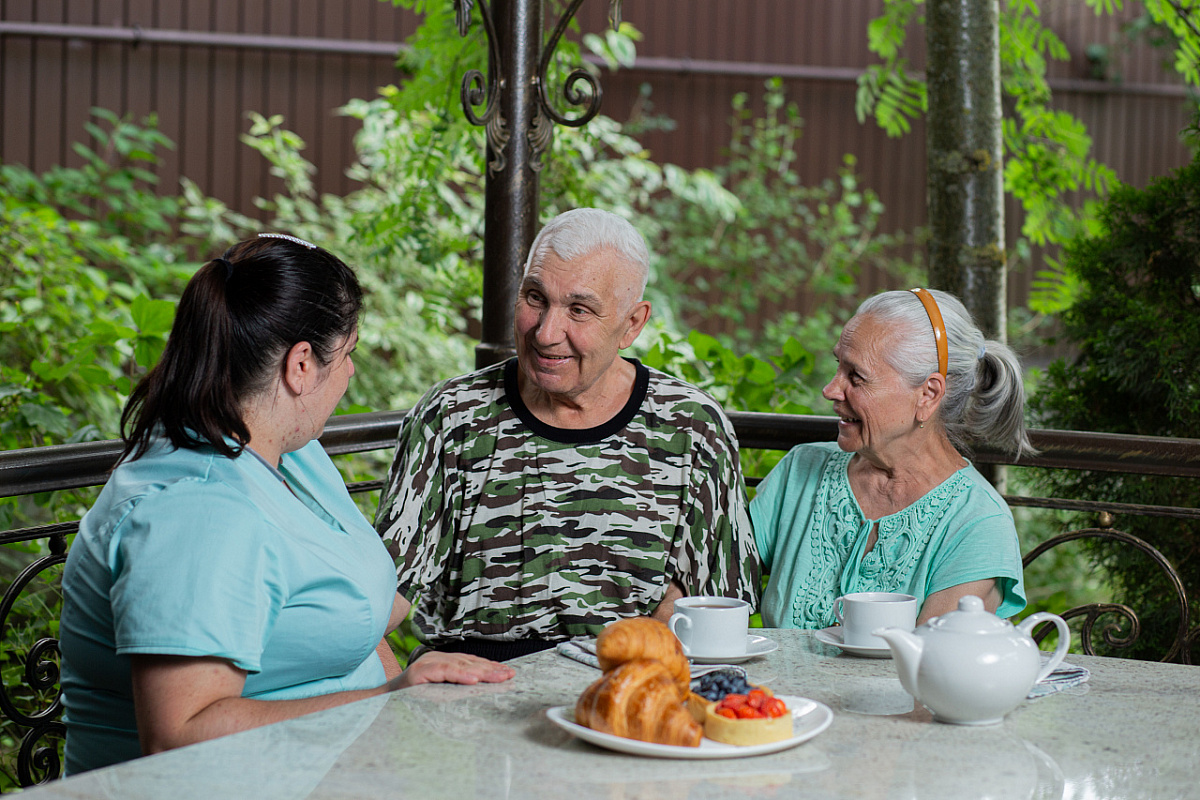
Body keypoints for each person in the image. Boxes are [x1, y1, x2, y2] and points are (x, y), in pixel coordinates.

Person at [59, 234, 513, 776]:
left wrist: (398, 736)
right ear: (300, 365)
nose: (350, 372)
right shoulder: (197, 510)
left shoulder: (292, 454)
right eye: (348, 353)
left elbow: (354, 627)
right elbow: (180, 736)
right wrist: (389, 699)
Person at [374, 208, 759, 662]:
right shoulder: (449, 416)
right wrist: (387, 689)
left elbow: (716, 602)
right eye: (535, 298)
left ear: (632, 324)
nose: (545, 332)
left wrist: (641, 657)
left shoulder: (692, 426)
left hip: (624, 672)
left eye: (579, 310)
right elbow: (377, 601)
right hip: (472, 678)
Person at [751, 288, 1031, 629]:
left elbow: (934, 656)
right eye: (838, 366)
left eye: (856, 377)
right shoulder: (801, 470)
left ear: (928, 394)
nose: (830, 390)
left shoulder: (977, 522)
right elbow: (717, 582)